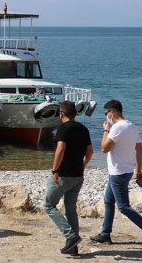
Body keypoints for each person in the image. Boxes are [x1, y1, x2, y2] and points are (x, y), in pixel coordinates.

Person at [90, 99, 142, 251]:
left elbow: (104, 148)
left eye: (106, 113)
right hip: (126, 171)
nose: (106, 117)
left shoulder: (116, 128)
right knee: (108, 201)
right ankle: (105, 234)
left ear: (113, 112)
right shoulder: (132, 127)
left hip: (118, 173)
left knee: (123, 207)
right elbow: (140, 150)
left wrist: (105, 130)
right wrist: (139, 170)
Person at [43, 101, 93, 256]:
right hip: (78, 175)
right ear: (75, 114)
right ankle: (73, 247)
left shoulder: (63, 128)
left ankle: (70, 236)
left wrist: (55, 169)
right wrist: (83, 165)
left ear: (61, 114)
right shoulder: (83, 129)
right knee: (70, 209)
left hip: (63, 174)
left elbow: (61, 148)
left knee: (48, 205)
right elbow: (90, 150)